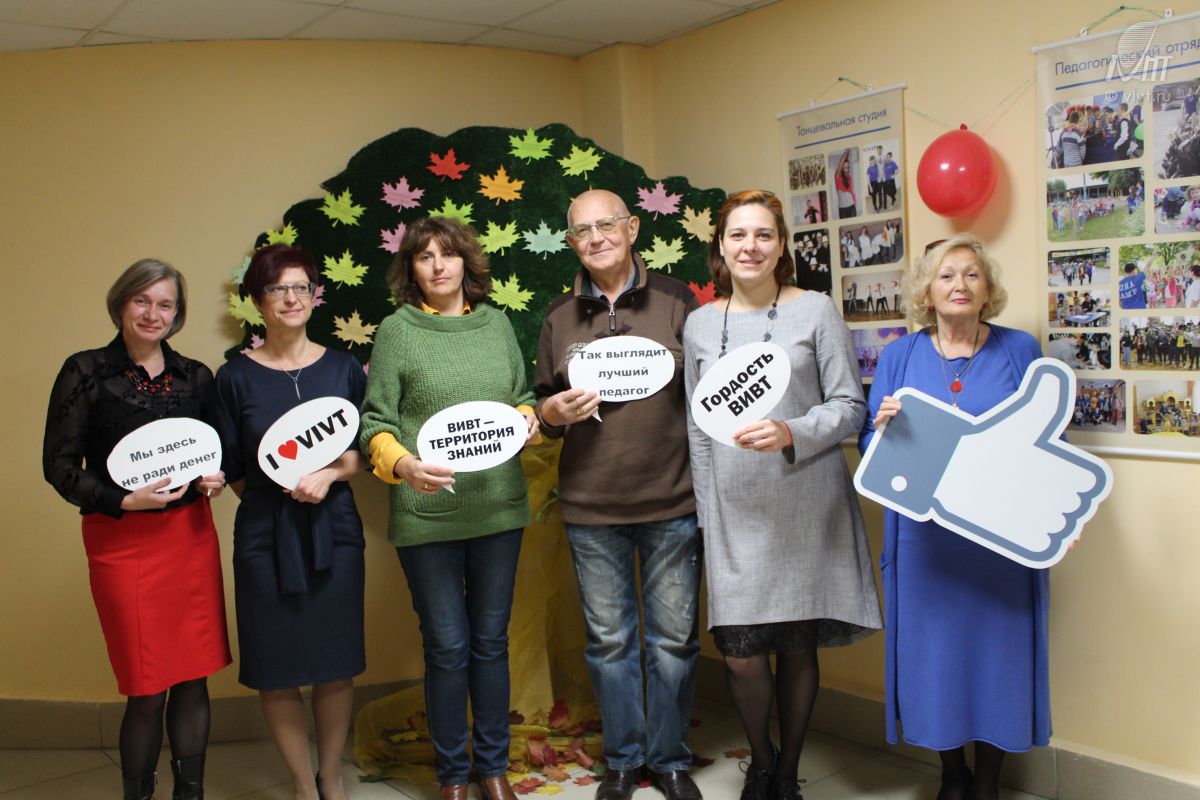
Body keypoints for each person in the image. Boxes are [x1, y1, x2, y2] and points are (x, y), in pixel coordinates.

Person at [683, 191, 881, 800]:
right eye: (738, 235)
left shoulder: (816, 311)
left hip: (804, 501)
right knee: (741, 652)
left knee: (796, 649)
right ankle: (762, 762)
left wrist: (792, 430)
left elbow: (850, 406)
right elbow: (697, 428)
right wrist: (706, 512)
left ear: (781, 246)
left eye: (763, 235)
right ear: (720, 247)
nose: (750, 247)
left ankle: (788, 774)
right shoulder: (699, 323)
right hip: (733, 510)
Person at [860, 235, 1048, 800]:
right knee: (935, 657)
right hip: (925, 542)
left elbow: (1047, 440)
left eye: (971, 274)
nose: (959, 285)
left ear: (988, 289)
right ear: (926, 291)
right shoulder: (899, 356)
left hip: (1000, 541)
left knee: (999, 657)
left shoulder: (1020, 350)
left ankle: (987, 779)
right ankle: (952, 774)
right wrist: (883, 429)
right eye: (946, 275)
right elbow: (870, 444)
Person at [360, 217, 538, 800]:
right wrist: (403, 466)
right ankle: (454, 775)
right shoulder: (397, 331)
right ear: (410, 269)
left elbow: (522, 398)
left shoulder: (498, 325)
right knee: (447, 646)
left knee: (490, 643)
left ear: (467, 262)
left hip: (498, 509)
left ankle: (493, 768)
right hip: (426, 514)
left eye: (449, 254)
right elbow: (376, 422)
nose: (438, 265)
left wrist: (527, 420)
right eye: (425, 256)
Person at [534, 189, 703, 800]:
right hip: (591, 506)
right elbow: (542, 407)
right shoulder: (558, 316)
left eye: (607, 225)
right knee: (610, 644)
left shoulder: (679, 301)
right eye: (583, 231)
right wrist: (552, 412)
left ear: (632, 228)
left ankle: (671, 759)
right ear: (571, 242)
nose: (596, 238)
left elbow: (708, 394)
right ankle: (624, 762)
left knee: (674, 642)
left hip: (672, 499)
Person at [43, 259, 231, 800]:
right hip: (121, 541)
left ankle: (190, 793)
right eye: (142, 300)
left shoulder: (197, 376)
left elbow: (210, 455)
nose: (153, 313)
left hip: (189, 538)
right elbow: (59, 466)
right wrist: (124, 500)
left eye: (165, 304)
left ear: (178, 314)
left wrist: (213, 479)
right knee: (146, 685)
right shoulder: (85, 371)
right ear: (121, 304)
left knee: (193, 676)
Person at [211, 244, 366, 800]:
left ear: (314, 296)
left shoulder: (343, 368)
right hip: (264, 534)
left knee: (336, 662)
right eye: (278, 289)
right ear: (258, 301)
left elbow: (362, 453)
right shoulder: (233, 377)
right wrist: (277, 497)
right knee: (275, 665)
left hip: (335, 529)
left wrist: (328, 475)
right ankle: (302, 785)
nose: (291, 298)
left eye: (301, 287)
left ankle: (331, 776)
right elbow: (233, 467)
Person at [834, 151, 857, 219]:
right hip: (842, 208)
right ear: (841, 168)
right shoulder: (838, 176)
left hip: (851, 206)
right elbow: (841, 163)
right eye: (845, 168)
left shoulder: (849, 177)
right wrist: (845, 154)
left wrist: (854, 201)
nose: (847, 169)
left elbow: (852, 191)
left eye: (848, 167)